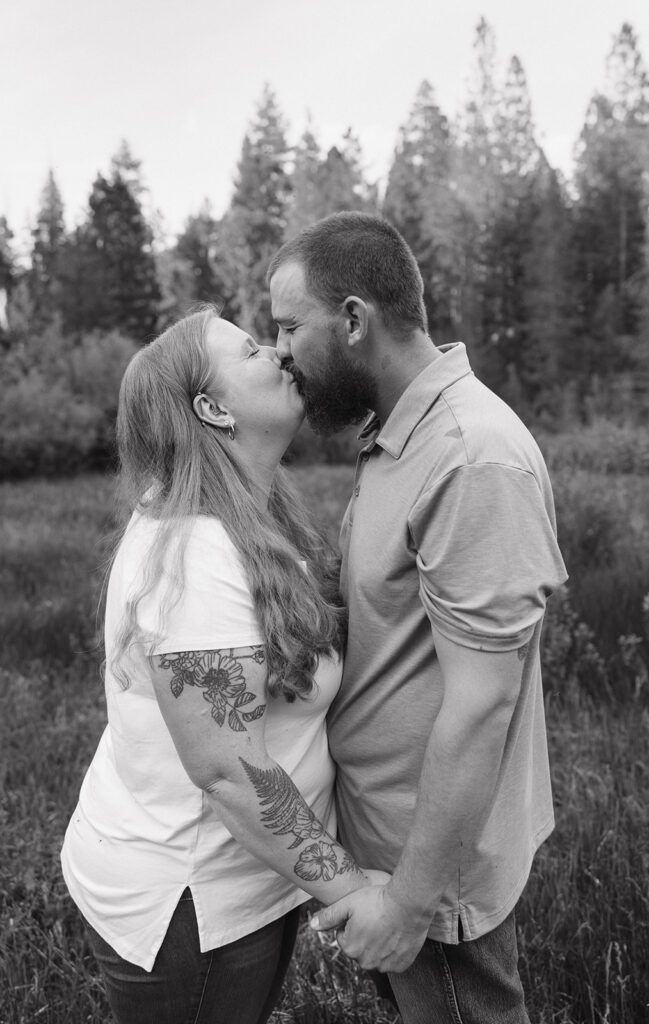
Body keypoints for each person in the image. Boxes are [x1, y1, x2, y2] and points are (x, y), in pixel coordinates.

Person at [268, 212, 568, 1024]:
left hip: (430, 874)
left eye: (290, 327)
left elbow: (479, 706)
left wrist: (405, 903)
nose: (281, 354)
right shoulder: (397, 435)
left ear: (355, 320)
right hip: (386, 849)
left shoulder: (470, 457)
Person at [61, 309, 387, 1024]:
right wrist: (352, 891)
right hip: (189, 899)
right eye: (250, 350)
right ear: (211, 408)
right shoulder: (196, 550)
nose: (277, 352)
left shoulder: (254, 516)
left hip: (240, 878)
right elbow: (228, 771)